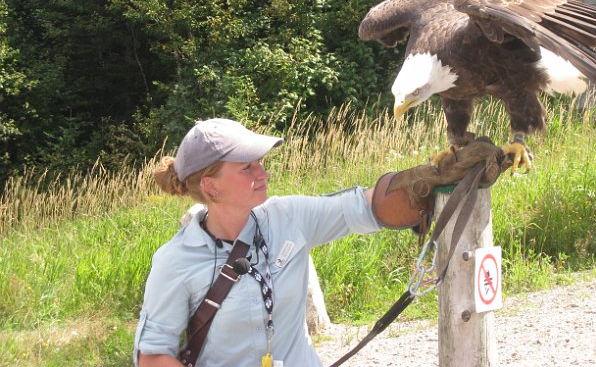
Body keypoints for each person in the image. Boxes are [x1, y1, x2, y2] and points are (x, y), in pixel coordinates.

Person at [133, 117, 510, 367]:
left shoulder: (288, 218)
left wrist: (428, 180)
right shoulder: (175, 262)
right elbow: (153, 356)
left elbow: (360, 208)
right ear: (210, 186)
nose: (262, 172)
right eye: (247, 167)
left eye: (261, 161)